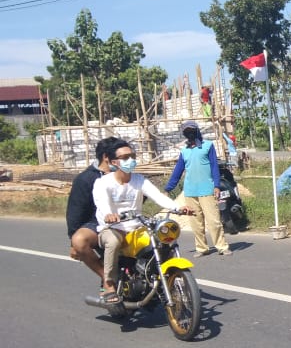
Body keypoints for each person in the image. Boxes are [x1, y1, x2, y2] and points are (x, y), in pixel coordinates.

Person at [93, 141, 190, 304]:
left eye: (132, 156)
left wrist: (178, 208)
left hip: (136, 227)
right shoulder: (103, 183)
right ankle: (108, 284)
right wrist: (109, 215)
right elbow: (101, 202)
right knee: (113, 241)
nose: (130, 160)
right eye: (125, 157)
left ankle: (166, 278)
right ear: (114, 162)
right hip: (111, 228)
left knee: (163, 239)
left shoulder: (139, 180)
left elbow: (158, 196)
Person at [164, 120, 232, 257]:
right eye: (186, 131)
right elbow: (177, 172)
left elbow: (214, 166)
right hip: (190, 191)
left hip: (207, 190)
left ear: (196, 131)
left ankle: (222, 246)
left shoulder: (208, 146)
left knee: (214, 221)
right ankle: (202, 248)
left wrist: (217, 185)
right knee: (196, 222)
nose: (188, 133)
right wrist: (168, 189)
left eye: (191, 130)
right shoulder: (184, 151)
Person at [66, 136, 122, 285]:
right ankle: (106, 279)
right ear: (106, 157)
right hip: (97, 224)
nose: (127, 160)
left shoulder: (126, 175)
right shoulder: (86, 179)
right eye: (121, 156)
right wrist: (73, 243)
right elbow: (75, 211)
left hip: (128, 221)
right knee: (80, 240)